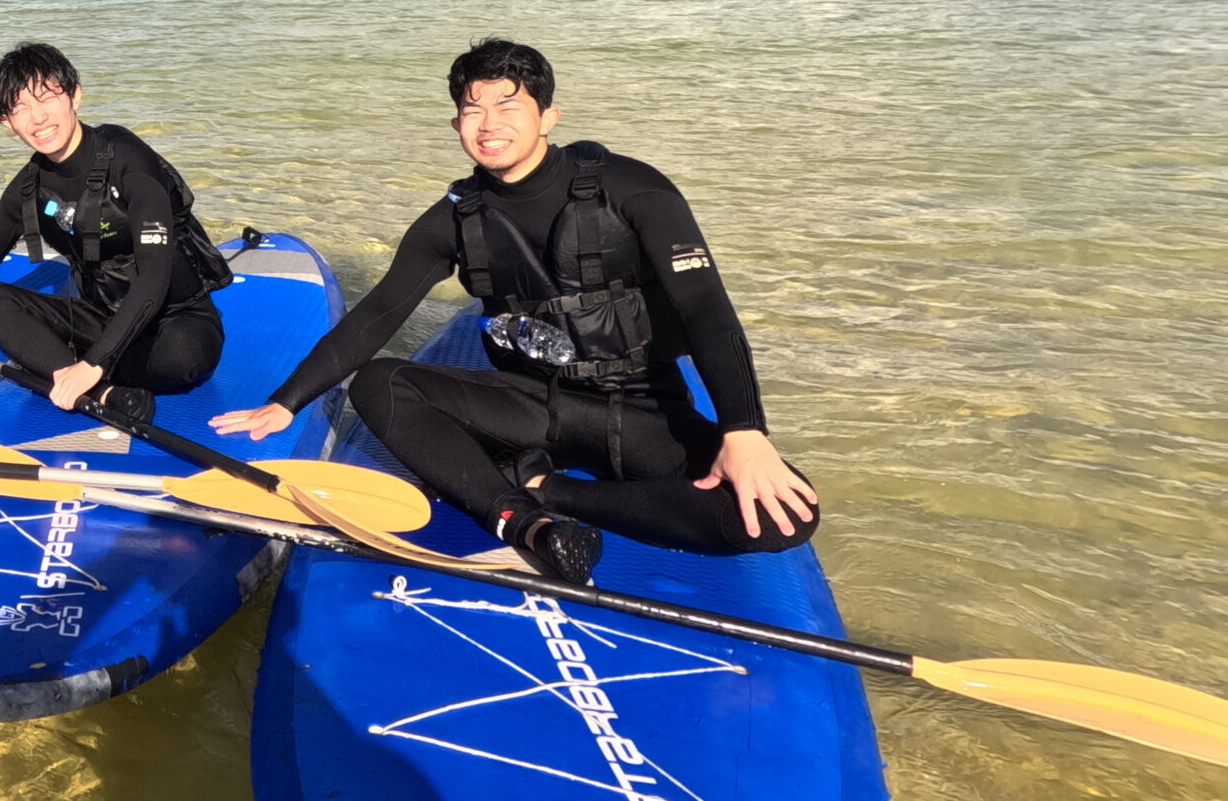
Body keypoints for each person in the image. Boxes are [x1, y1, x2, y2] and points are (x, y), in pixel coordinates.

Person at [211, 37, 819, 583]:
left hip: (642, 411)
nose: (489, 125)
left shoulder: (633, 189)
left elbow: (709, 311)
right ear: (456, 123)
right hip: (533, 408)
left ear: (548, 116)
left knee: (785, 516)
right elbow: (377, 316)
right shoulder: (454, 218)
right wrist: (285, 402)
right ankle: (523, 521)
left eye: (508, 106)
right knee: (380, 383)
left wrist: (744, 431)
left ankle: (545, 489)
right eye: (473, 110)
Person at [0, 42, 228, 427]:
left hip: (172, 319)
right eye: (20, 107)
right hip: (100, 319)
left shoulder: (128, 158)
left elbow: (155, 276)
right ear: (7, 122)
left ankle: (74, 372)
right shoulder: (29, 189)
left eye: (47, 97)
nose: (37, 117)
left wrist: (94, 363)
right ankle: (100, 392)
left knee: (189, 354)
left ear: (75, 95)